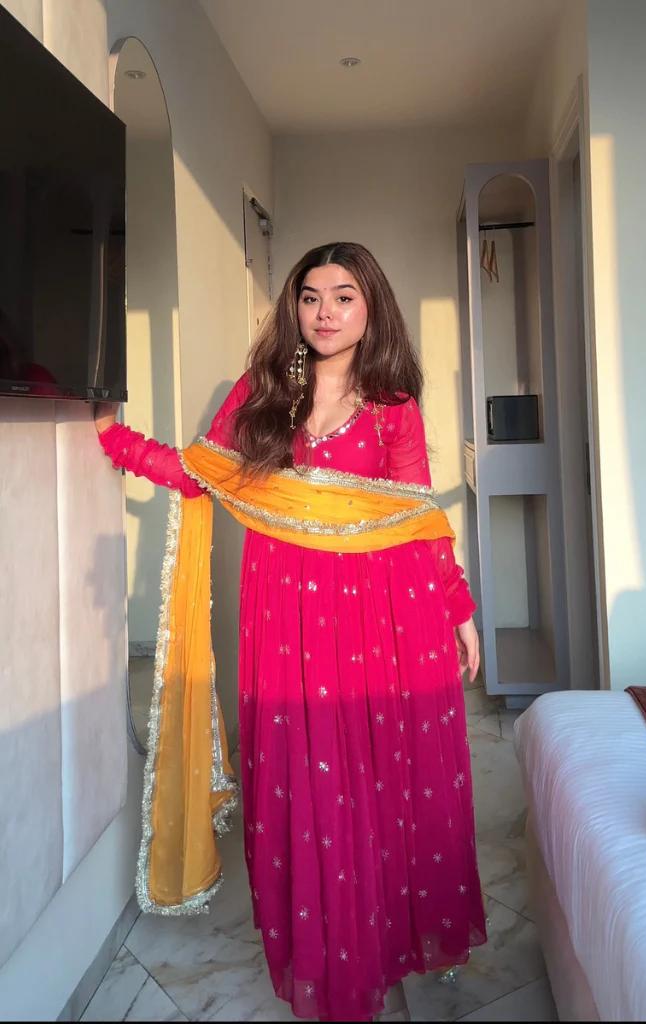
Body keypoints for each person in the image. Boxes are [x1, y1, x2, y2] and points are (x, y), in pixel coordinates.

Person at [95, 242, 486, 1022]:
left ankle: (386, 939)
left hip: (381, 611)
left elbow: (416, 520)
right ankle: (330, 956)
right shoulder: (263, 389)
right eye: (310, 297)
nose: (325, 313)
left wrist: (458, 611)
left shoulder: (392, 404)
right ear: (293, 308)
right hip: (287, 617)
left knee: (380, 775)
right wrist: (114, 438)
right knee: (308, 780)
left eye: (343, 296)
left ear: (370, 307)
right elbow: (201, 472)